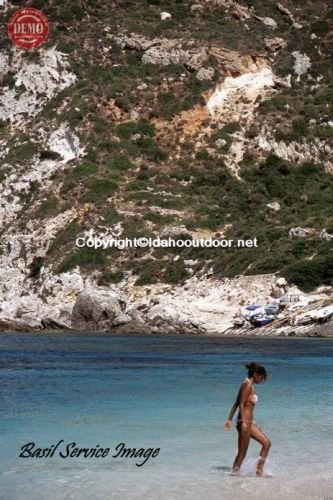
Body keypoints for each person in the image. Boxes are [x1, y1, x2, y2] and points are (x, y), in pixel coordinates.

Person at [224, 362, 271, 476]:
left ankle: (259, 471)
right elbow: (240, 404)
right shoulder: (247, 385)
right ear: (255, 374)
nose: (261, 380)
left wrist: (229, 419)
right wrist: (244, 422)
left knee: (267, 443)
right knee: (242, 453)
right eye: (261, 377)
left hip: (249, 422)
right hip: (244, 422)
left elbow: (237, 403)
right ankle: (234, 475)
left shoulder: (249, 385)